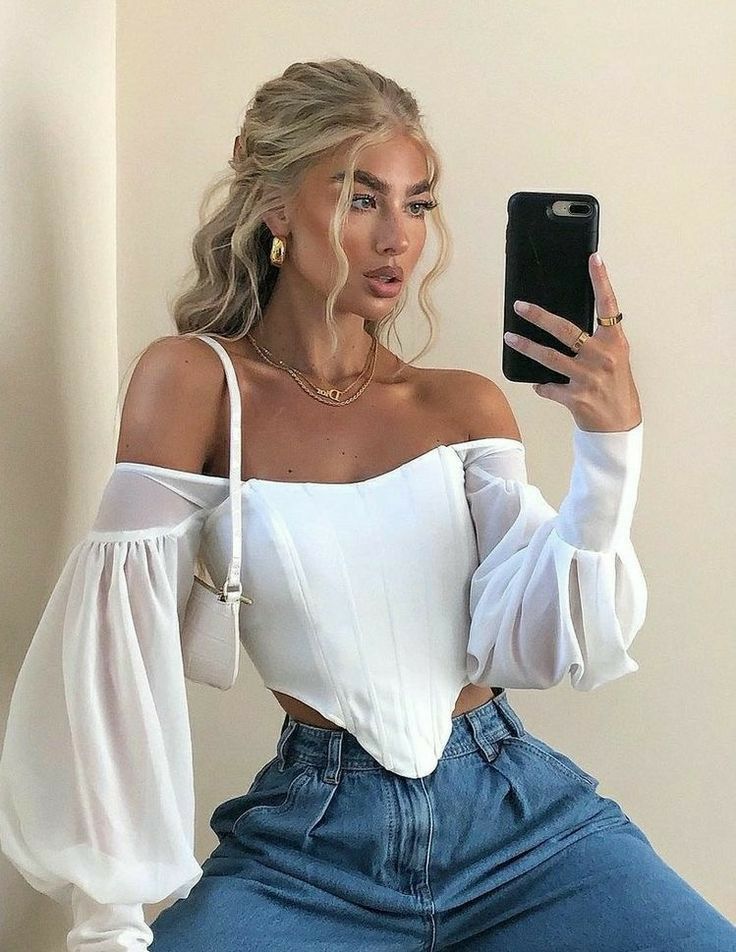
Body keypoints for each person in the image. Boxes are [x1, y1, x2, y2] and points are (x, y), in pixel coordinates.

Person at [1, 58, 734, 951]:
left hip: (523, 827)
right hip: (310, 853)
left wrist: (610, 450)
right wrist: (109, 918)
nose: (398, 238)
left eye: (417, 204)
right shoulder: (196, 383)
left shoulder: (460, 406)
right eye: (360, 199)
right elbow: (114, 659)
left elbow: (539, 644)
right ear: (277, 205)